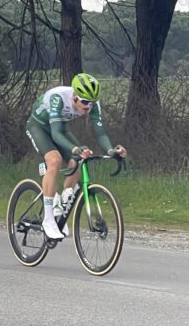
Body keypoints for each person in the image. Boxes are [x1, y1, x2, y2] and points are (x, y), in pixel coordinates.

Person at [24, 72, 126, 241]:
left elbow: (100, 132)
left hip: (60, 126)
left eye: (92, 103)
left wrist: (110, 150)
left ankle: (62, 208)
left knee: (78, 160)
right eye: (85, 102)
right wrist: (75, 148)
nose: (88, 107)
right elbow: (56, 135)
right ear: (74, 97)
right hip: (39, 127)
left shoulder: (91, 103)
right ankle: (48, 219)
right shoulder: (58, 98)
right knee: (54, 160)